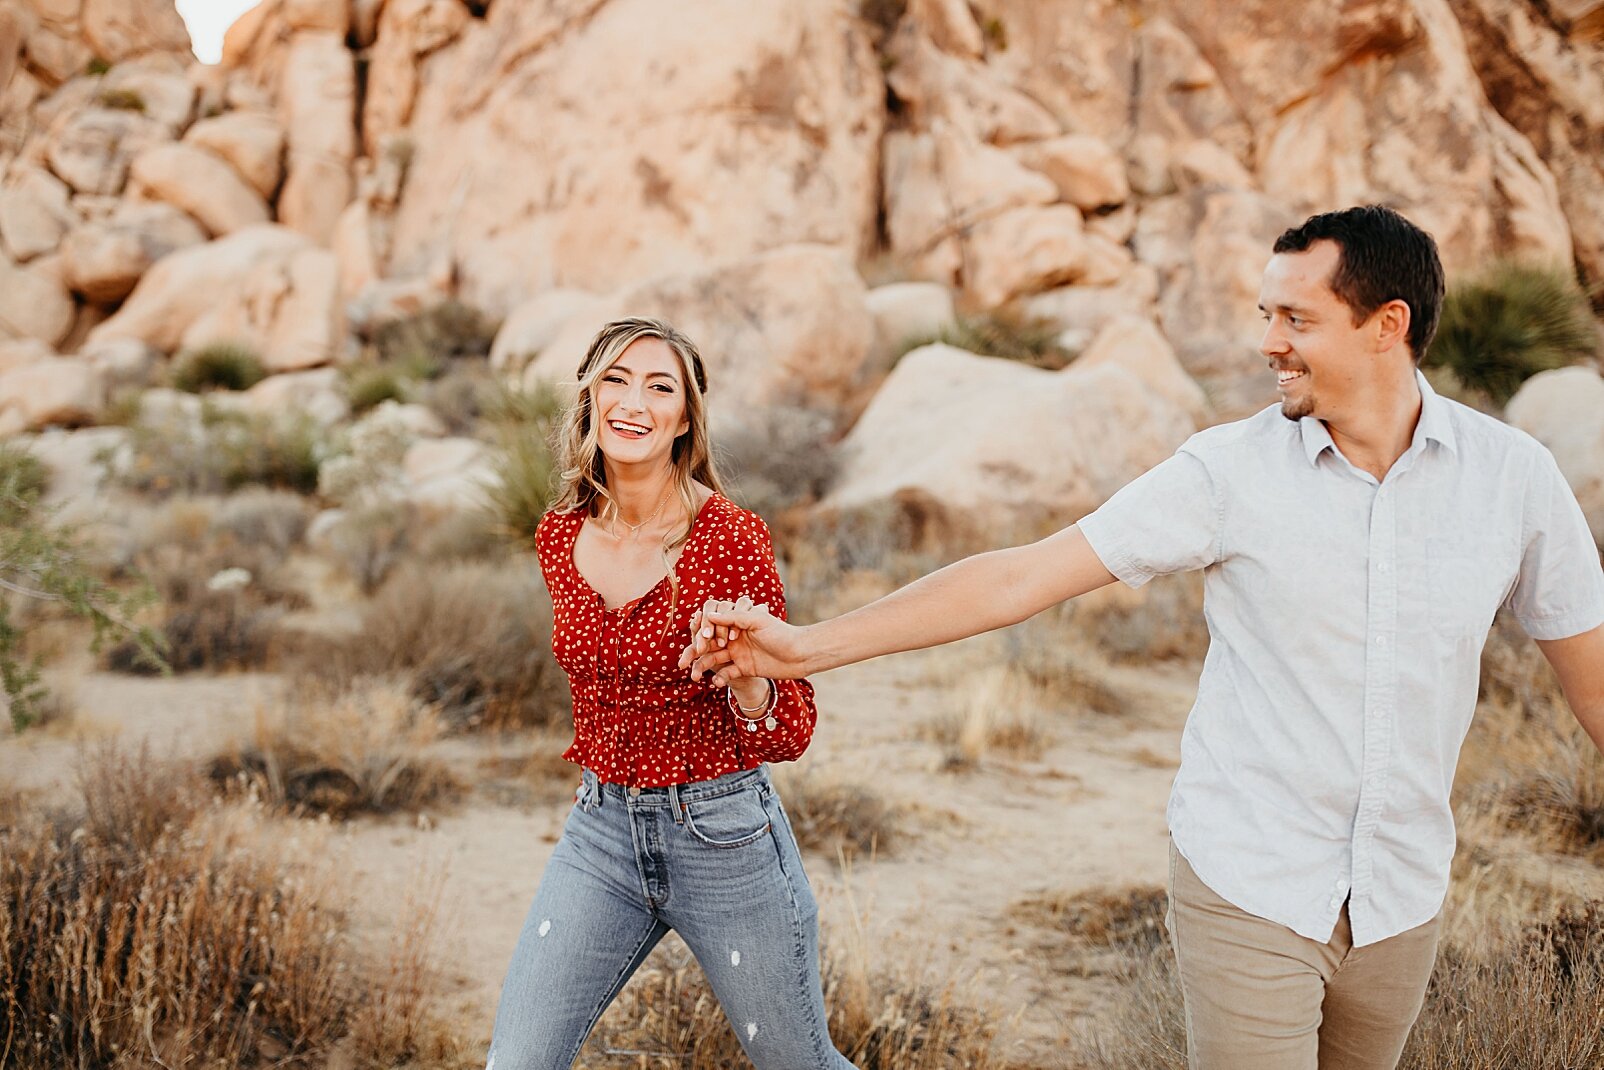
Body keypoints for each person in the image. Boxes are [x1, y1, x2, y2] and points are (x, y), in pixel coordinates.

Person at [683, 206, 1604, 1070]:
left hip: (1403, 897)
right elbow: (1020, 578)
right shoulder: (1228, 471)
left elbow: (1591, 677)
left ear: (1386, 324)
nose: (1267, 342)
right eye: (1264, 314)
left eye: (1295, 318)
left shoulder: (1512, 480)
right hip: (1253, 883)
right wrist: (805, 649)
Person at [486, 318, 857, 1070]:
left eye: (661, 387)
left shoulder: (729, 539)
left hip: (723, 835)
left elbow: (789, 731)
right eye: (617, 379)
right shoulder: (558, 536)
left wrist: (751, 685)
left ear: (685, 418)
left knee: (800, 1065)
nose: (634, 401)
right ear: (589, 398)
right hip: (601, 832)